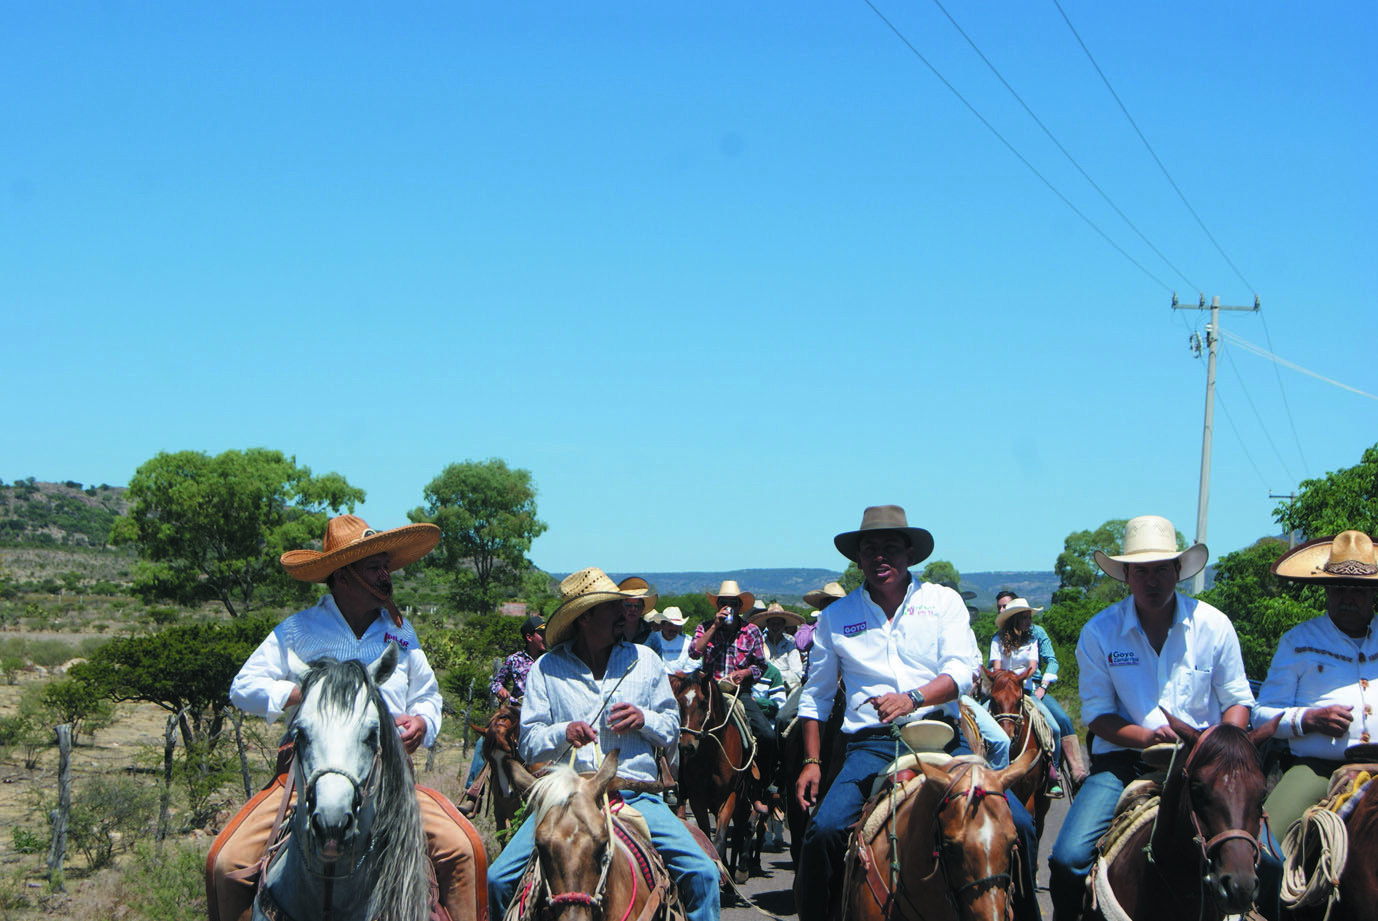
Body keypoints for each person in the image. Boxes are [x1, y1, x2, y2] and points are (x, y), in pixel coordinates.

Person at [206, 515, 487, 921]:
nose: (385, 575)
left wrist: (423, 723)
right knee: (225, 862)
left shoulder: (402, 634)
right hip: (301, 781)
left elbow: (427, 696)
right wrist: (305, 692)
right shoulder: (298, 630)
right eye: (374, 567)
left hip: (389, 781)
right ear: (343, 575)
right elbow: (243, 687)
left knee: (465, 850)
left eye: (385, 566)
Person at [794, 505, 1040, 921]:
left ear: (909, 553)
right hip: (872, 745)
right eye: (870, 549)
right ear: (859, 559)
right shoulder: (836, 617)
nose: (880, 556)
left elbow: (961, 671)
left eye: (890, 547)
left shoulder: (942, 602)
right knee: (825, 831)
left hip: (946, 740)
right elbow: (815, 696)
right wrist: (812, 761)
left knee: (1021, 825)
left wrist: (913, 698)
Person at [1047, 515, 1256, 921]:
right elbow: (1098, 716)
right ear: (1126, 576)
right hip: (1124, 763)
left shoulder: (1213, 626)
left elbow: (1237, 701)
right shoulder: (1099, 632)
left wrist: (1220, 748)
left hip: (1205, 766)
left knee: (1270, 860)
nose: (1152, 580)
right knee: (1068, 858)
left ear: (1178, 570)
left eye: (1161, 569)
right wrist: (1145, 738)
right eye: (1141, 571)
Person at [487, 568, 720, 921]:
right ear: (585, 617)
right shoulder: (546, 668)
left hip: (634, 795)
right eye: (612, 607)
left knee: (703, 875)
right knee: (498, 880)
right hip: (563, 802)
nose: (623, 612)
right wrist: (563, 732)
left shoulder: (646, 661)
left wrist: (644, 719)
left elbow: (672, 728)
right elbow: (531, 743)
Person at [1255, 530, 1378, 838]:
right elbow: (1262, 716)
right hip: (1318, 769)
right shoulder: (1298, 641)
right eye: (1338, 588)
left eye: (1357, 590)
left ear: (1372, 592)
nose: (1347, 597)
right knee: (1266, 843)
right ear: (1326, 590)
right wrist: (1309, 719)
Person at [690, 579, 779, 812]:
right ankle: (681, 788)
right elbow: (694, 652)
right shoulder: (705, 626)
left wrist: (746, 672)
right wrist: (714, 626)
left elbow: (761, 665)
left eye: (733, 603)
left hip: (739, 692)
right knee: (684, 730)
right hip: (709, 691)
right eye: (724, 603)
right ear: (718, 605)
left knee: (767, 735)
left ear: (740, 607)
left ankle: (761, 787)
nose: (728, 607)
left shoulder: (751, 631)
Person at [989, 597, 1071, 795]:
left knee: (1054, 728)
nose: (1028, 621)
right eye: (1024, 617)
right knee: (976, 722)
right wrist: (1010, 679)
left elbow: (1033, 666)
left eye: (1029, 617)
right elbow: (996, 667)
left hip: (1025, 690)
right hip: (1004, 690)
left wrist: (1021, 678)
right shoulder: (997, 640)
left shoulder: (1032, 639)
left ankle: (1052, 772)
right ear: (1015, 619)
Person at [462, 615, 547, 795]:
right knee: (485, 740)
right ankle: (473, 791)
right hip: (517, 712)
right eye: (541, 633)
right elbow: (496, 682)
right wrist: (500, 689)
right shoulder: (514, 660)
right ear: (529, 637)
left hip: (545, 712)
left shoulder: (551, 659)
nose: (546, 637)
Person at [750, 602, 806, 692]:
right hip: (762, 687)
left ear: (783, 626)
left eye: (778, 624)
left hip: (787, 688)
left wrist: (775, 675)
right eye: (772, 624)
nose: (775, 627)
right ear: (767, 625)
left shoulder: (790, 646)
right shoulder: (760, 644)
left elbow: (797, 674)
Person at [646, 605, 695, 673]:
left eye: (677, 626)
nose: (674, 629)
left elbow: (693, 664)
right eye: (670, 625)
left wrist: (683, 675)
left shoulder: (689, 642)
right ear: (662, 625)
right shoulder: (652, 639)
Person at [618, 575, 658, 645]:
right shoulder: (611, 631)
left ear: (643, 608)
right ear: (621, 606)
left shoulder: (651, 636)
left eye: (637, 606)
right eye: (628, 605)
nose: (632, 609)